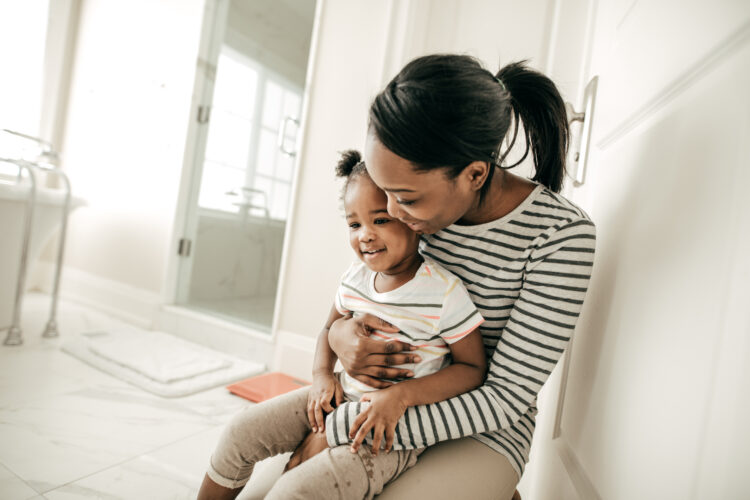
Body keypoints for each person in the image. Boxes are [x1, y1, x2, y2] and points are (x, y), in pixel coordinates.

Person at [287, 55, 597, 499]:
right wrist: (338, 336)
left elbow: (503, 398)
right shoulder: (421, 214)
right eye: (385, 192)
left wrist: (337, 429)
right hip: (370, 400)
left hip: (480, 428)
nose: (390, 214)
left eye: (406, 199)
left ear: (474, 174)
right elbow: (361, 297)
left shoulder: (561, 237)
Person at [197, 149, 487, 500]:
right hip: (335, 396)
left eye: (380, 220)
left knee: (295, 490)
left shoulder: (443, 291)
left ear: (410, 218)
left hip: (386, 431)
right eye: (354, 224)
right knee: (239, 431)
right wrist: (321, 376)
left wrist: (399, 397)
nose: (365, 235)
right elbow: (327, 331)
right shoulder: (355, 278)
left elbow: (472, 368)